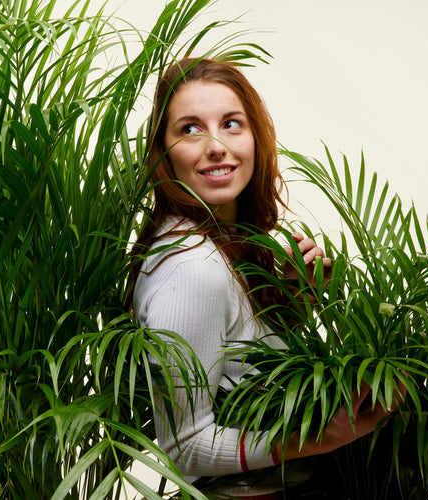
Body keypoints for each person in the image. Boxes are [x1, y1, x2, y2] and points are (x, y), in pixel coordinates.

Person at [129, 57, 403, 499]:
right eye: (190, 129)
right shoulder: (192, 268)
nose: (216, 145)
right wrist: (320, 437)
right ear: (163, 151)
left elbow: (241, 374)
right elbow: (185, 446)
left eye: (232, 123)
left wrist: (293, 301)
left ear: (256, 136)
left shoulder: (227, 240)